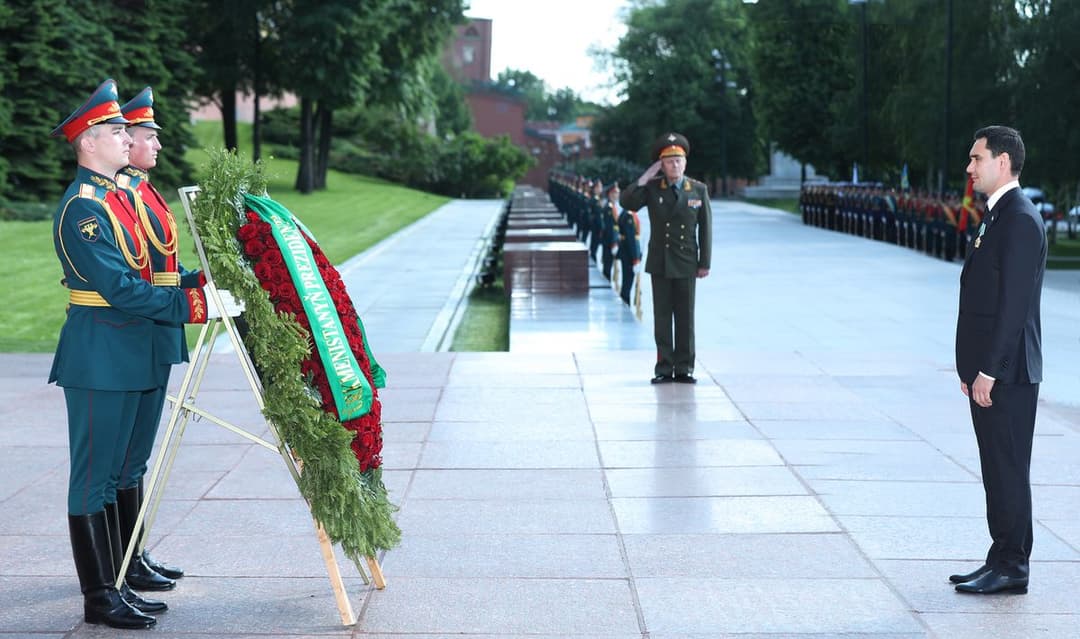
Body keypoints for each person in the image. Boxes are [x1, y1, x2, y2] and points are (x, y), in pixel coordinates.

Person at [49, 79, 238, 629]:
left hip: (132, 348)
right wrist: (198, 304)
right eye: (115, 131)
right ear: (88, 142)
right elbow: (121, 289)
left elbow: (152, 270)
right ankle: (99, 595)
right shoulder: (83, 210)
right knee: (93, 478)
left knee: (121, 470)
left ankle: (120, 575)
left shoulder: (117, 199)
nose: (127, 139)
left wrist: (199, 282)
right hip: (101, 353)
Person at [113, 86, 203, 592]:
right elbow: (136, 277)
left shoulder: (143, 190)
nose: (156, 145)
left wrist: (198, 279)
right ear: (127, 140)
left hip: (157, 325)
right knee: (126, 455)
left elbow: (163, 266)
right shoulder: (124, 193)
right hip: (142, 328)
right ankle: (124, 562)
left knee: (136, 454)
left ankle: (134, 554)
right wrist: (191, 298)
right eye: (149, 135)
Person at [952, 125, 1046, 595]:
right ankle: (1001, 555)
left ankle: (1013, 566)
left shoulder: (1020, 219)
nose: (969, 168)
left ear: (1002, 162)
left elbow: (1013, 307)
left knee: (1008, 467)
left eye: (976, 159)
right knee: (996, 467)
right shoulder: (998, 215)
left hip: (1007, 374)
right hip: (990, 372)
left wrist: (989, 369)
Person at [620, 132, 711, 384]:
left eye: (678, 161)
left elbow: (705, 229)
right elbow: (627, 202)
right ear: (662, 164)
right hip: (661, 262)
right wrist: (647, 175)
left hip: (686, 262)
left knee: (685, 317)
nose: (674, 165)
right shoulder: (652, 188)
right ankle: (664, 367)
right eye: (669, 161)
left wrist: (705, 262)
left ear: (685, 163)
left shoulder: (698, 190)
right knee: (662, 318)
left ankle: (684, 368)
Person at [616, 203, 642, 305]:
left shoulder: (626, 213)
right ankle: (625, 306)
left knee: (626, 283)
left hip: (626, 253)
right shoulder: (628, 216)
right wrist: (635, 258)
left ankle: (625, 305)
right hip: (629, 255)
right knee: (627, 284)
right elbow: (631, 239)